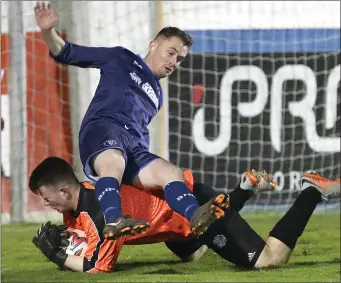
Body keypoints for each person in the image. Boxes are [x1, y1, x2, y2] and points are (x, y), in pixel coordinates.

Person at [34, 1, 226, 240]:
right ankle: (113, 218)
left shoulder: (157, 95)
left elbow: (140, 133)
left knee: (172, 173)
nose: (173, 62)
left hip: (131, 145)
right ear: (153, 44)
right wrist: (47, 31)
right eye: (171, 53)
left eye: (179, 59)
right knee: (114, 160)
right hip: (102, 128)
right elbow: (67, 52)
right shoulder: (120, 57)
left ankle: (195, 216)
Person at [30, 157, 340, 272]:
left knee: (269, 259)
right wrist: (68, 243)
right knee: (193, 255)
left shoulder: (98, 209)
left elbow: (99, 267)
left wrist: (58, 256)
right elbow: (85, 239)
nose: (47, 205)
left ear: (65, 192)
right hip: (176, 225)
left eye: (47, 199)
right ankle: (243, 189)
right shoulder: (82, 198)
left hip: (195, 212)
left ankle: (313, 190)